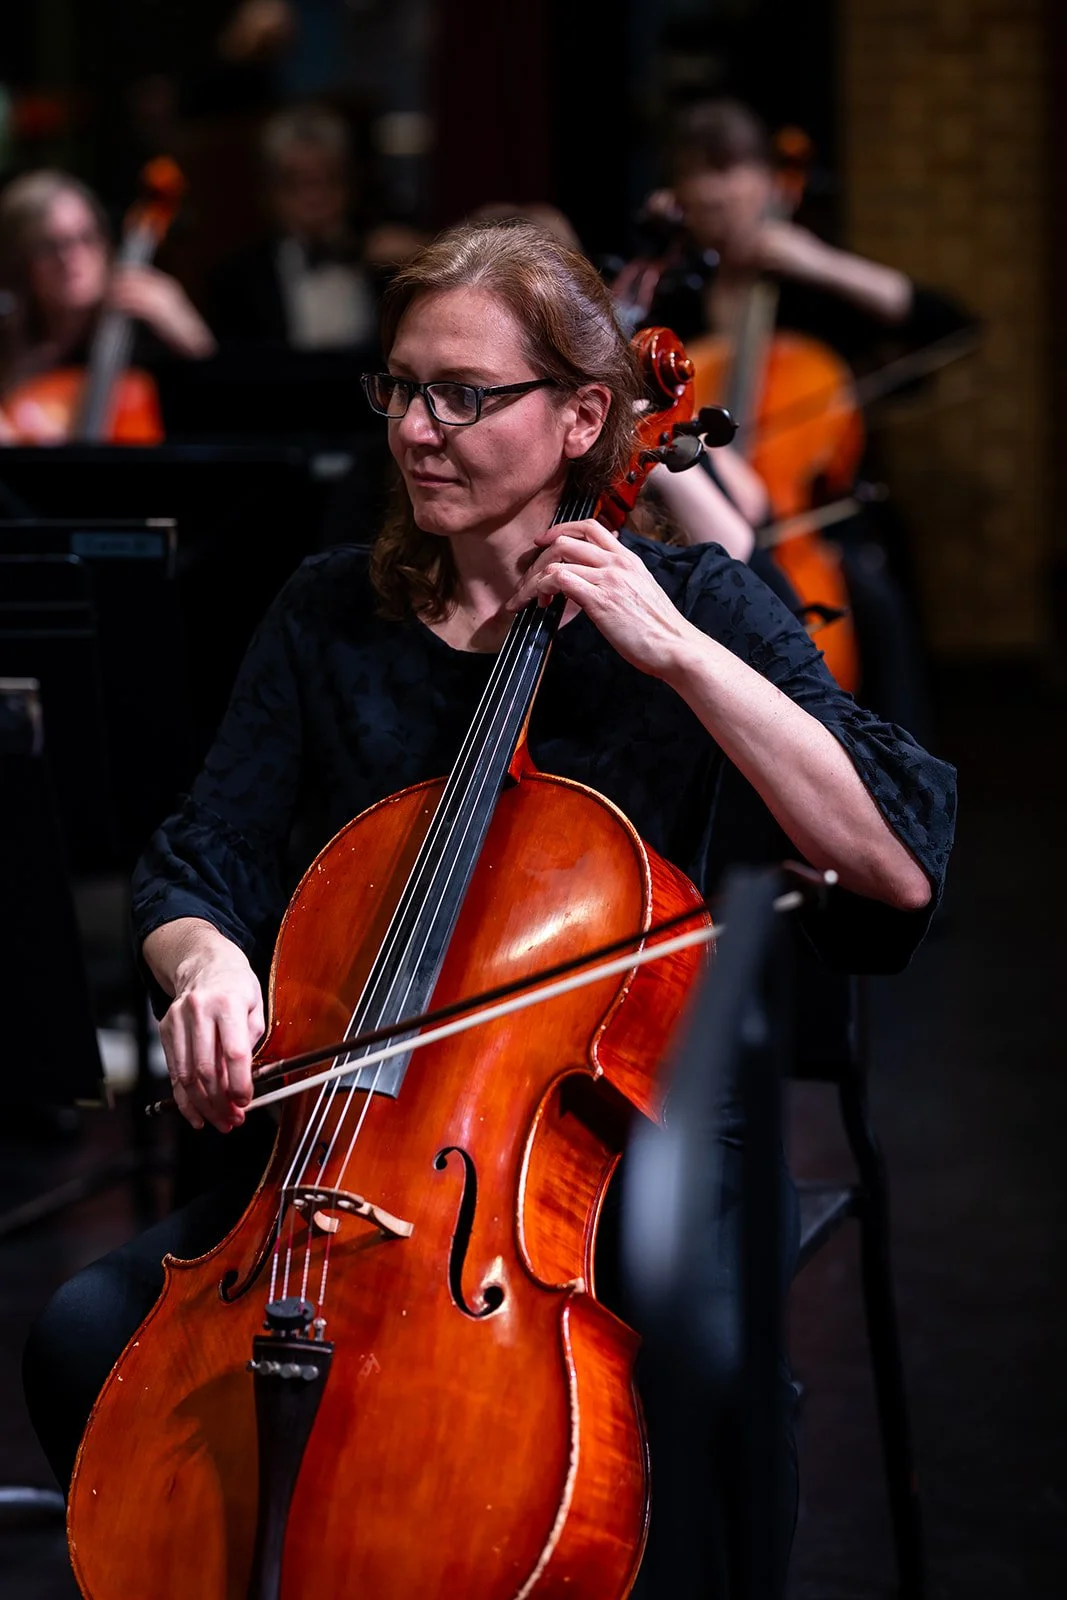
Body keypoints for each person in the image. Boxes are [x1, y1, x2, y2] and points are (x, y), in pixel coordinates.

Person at [22, 218, 955, 1596]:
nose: (417, 430)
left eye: (464, 395)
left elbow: (895, 861)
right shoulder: (328, 612)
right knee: (82, 1333)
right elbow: (200, 853)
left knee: (703, 1368)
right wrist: (205, 963)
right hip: (351, 1148)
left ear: (583, 419)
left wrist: (682, 659)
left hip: (634, 1140)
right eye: (401, 388)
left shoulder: (693, 604)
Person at [632, 97, 981, 739]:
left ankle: (892, 773)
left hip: (818, 527)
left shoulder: (810, 290)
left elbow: (951, 327)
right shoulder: (675, 297)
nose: (717, 209)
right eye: (700, 191)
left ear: (770, 185)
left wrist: (818, 262)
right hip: (694, 520)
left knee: (873, 605)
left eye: (730, 184)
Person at [0, 168, 215, 442]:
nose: (70, 257)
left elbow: (222, 415)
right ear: (20, 260)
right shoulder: (9, 343)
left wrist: (192, 337)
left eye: (85, 237)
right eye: (50, 245)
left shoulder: (146, 338)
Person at [210, 102, 422, 352]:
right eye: (294, 183)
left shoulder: (391, 264)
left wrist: (419, 264)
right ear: (269, 193)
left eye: (328, 179)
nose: (314, 198)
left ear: (350, 184)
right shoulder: (237, 280)